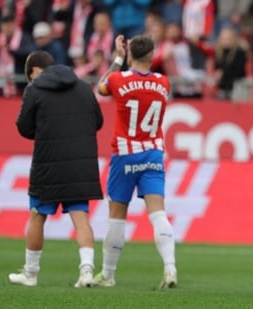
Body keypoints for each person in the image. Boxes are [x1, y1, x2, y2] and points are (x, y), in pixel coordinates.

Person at [10, 50, 104, 287]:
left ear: (34, 71)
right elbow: (98, 121)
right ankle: (86, 272)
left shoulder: (35, 89)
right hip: (81, 163)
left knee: (37, 216)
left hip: (47, 164)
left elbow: (23, 126)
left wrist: (44, 131)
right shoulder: (83, 87)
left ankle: (30, 274)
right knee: (81, 217)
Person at [93, 34, 177, 288]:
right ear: (152, 56)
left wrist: (118, 57)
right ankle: (170, 269)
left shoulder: (118, 79)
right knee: (158, 213)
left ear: (131, 55)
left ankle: (108, 274)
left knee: (117, 216)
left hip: (125, 154)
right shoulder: (164, 82)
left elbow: (101, 87)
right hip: (152, 153)